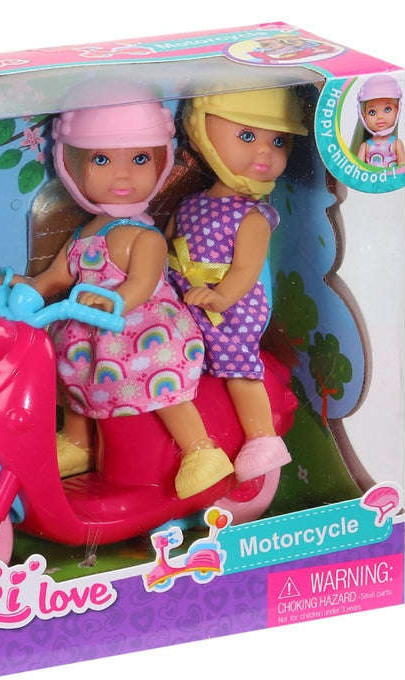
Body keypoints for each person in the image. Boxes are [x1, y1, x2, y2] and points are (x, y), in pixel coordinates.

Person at [6, 87, 232, 499]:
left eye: (140, 159)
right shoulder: (83, 234)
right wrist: (32, 287)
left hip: (142, 327)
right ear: (72, 166)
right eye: (102, 160)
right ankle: (78, 442)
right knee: (70, 370)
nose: (123, 175)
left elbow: (141, 285)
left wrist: (112, 302)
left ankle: (201, 450)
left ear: (161, 162)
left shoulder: (145, 236)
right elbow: (59, 273)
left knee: (159, 375)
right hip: (90, 329)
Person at [167, 88, 307, 482]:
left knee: (236, 362)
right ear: (201, 134)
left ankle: (262, 438)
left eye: (278, 142)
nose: (265, 151)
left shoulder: (253, 217)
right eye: (247, 136)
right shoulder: (190, 204)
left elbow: (246, 270)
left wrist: (221, 297)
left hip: (234, 307)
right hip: (188, 299)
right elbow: (168, 247)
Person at [355, 74, 405, 168]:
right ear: (363, 115)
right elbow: (358, 169)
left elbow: (403, 169)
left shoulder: (396, 144)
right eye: (372, 112)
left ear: (397, 110)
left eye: (387, 109)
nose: (380, 117)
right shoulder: (366, 146)